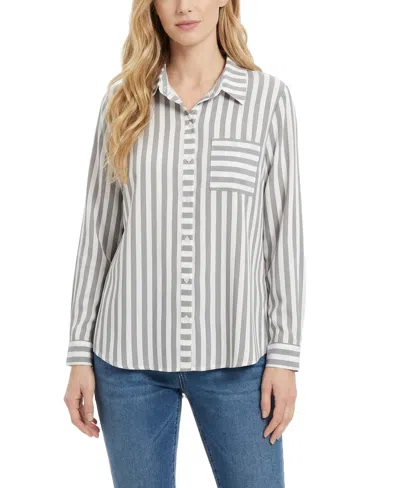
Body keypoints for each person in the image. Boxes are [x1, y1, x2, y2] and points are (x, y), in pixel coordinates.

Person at [63, 1, 305, 486]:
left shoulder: (268, 100)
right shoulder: (122, 101)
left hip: (237, 359)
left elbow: (284, 236)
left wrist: (284, 357)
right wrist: (78, 355)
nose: (184, 6)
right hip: (127, 359)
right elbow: (98, 234)